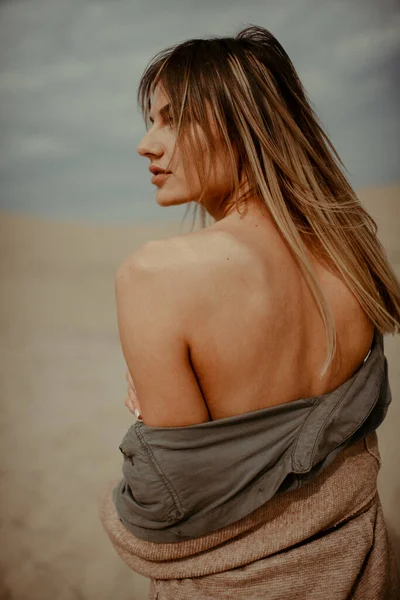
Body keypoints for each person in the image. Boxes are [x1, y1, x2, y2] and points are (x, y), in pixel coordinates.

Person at [100, 25, 400, 599]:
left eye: (170, 118)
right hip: (363, 573)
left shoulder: (155, 274)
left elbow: (173, 509)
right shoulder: (352, 257)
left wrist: (138, 458)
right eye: (149, 121)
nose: (147, 143)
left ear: (239, 125)